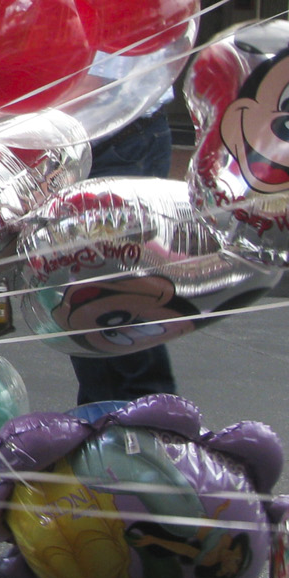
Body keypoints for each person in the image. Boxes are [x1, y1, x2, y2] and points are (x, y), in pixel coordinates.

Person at [68, 99, 179, 408]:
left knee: (115, 283)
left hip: (120, 133)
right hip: (74, 140)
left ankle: (153, 414)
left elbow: (102, 80)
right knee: (69, 287)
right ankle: (101, 416)